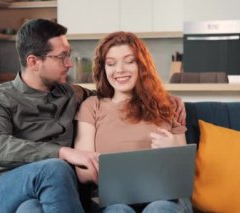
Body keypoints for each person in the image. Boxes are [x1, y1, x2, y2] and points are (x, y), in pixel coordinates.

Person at [0, 19, 186, 213]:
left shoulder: (72, 94)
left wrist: (162, 97)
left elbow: (114, 97)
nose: (70, 63)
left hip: (51, 192)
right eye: (62, 56)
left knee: (31, 209)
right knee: (55, 167)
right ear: (34, 62)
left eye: (69, 54)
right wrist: (64, 152)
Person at [74, 31, 193, 213]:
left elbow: (183, 172)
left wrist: (171, 149)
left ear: (141, 66)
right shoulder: (92, 106)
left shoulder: (167, 105)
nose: (120, 70)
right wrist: (107, 171)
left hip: (166, 197)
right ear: (103, 69)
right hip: (113, 199)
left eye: (129, 61)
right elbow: (82, 173)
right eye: (111, 63)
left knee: (159, 209)